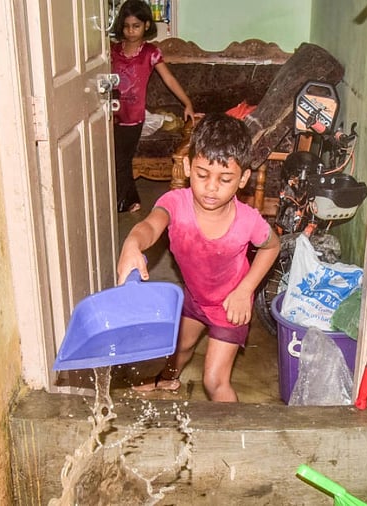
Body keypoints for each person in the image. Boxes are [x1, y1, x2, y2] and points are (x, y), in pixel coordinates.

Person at [116, 113, 281, 402]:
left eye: (225, 179)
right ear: (187, 167)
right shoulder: (174, 203)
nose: (211, 187)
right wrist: (132, 243)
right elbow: (150, 226)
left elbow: (272, 246)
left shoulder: (248, 220)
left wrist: (245, 290)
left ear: (243, 179)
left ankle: (234, 429)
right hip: (195, 297)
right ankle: (167, 378)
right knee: (179, 348)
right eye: (203, 175)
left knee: (214, 381)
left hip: (230, 306)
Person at [111, 0, 195, 213]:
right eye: (126, 26)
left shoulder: (150, 52)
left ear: (146, 25)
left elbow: (169, 79)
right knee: (114, 157)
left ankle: (128, 201)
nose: (131, 31)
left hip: (133, 117)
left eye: (136, 26)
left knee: (122, 158)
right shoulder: (113, 50)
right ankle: (126, 199)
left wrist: (187, 103)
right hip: (111, 114)